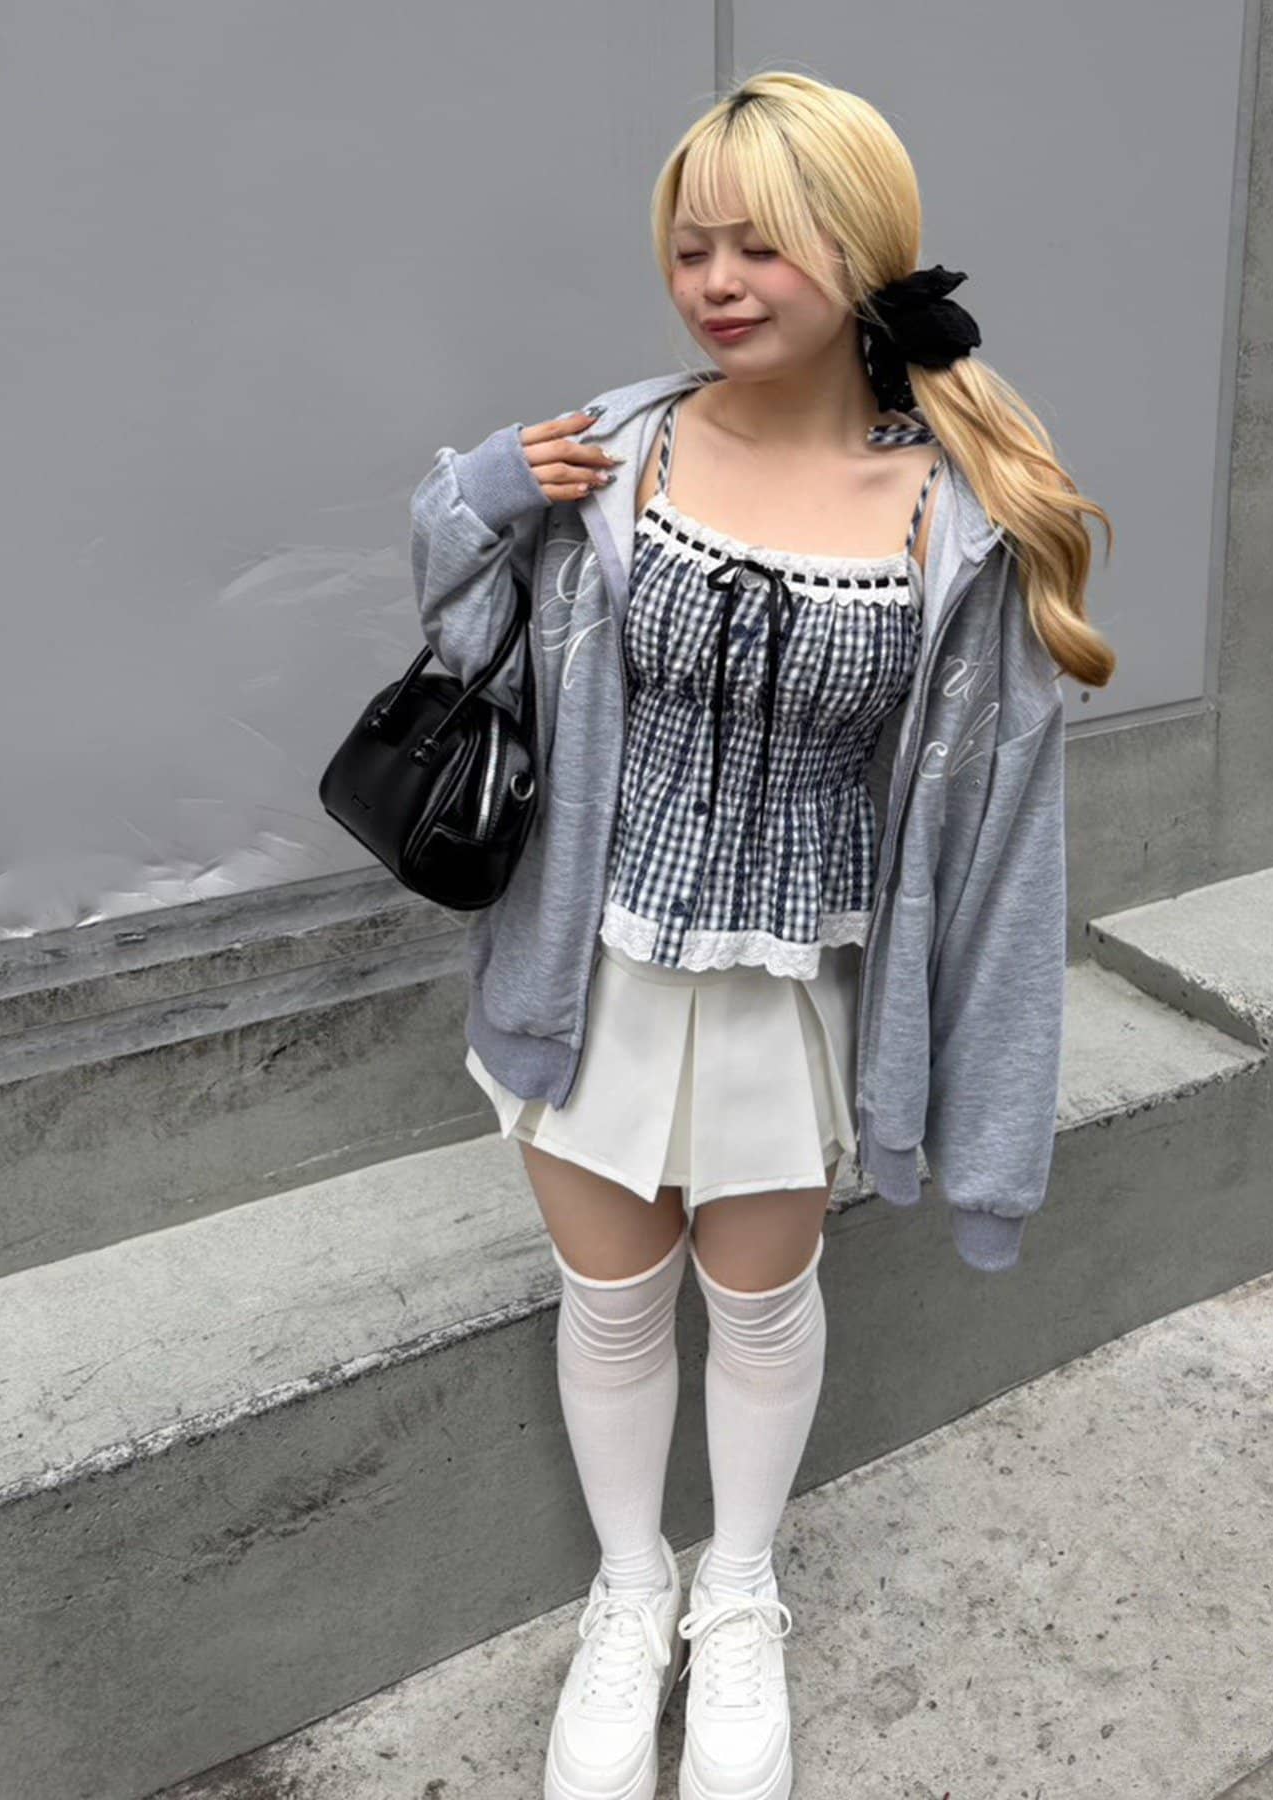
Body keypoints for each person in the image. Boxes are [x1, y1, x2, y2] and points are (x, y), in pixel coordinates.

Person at [411, 68, 1114, 1800]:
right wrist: (478, 495)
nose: (716, 283)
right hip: (588, 971)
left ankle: (738, 1594)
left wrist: (994, 1144)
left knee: (763, 1300)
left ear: (862, 254)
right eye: (690, 248)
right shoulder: (621, 449)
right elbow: (456, 639)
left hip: (797, 994)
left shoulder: (957, 522)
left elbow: (1006, 854)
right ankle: (628, 1591)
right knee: (610, 1300)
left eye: (761, 248)